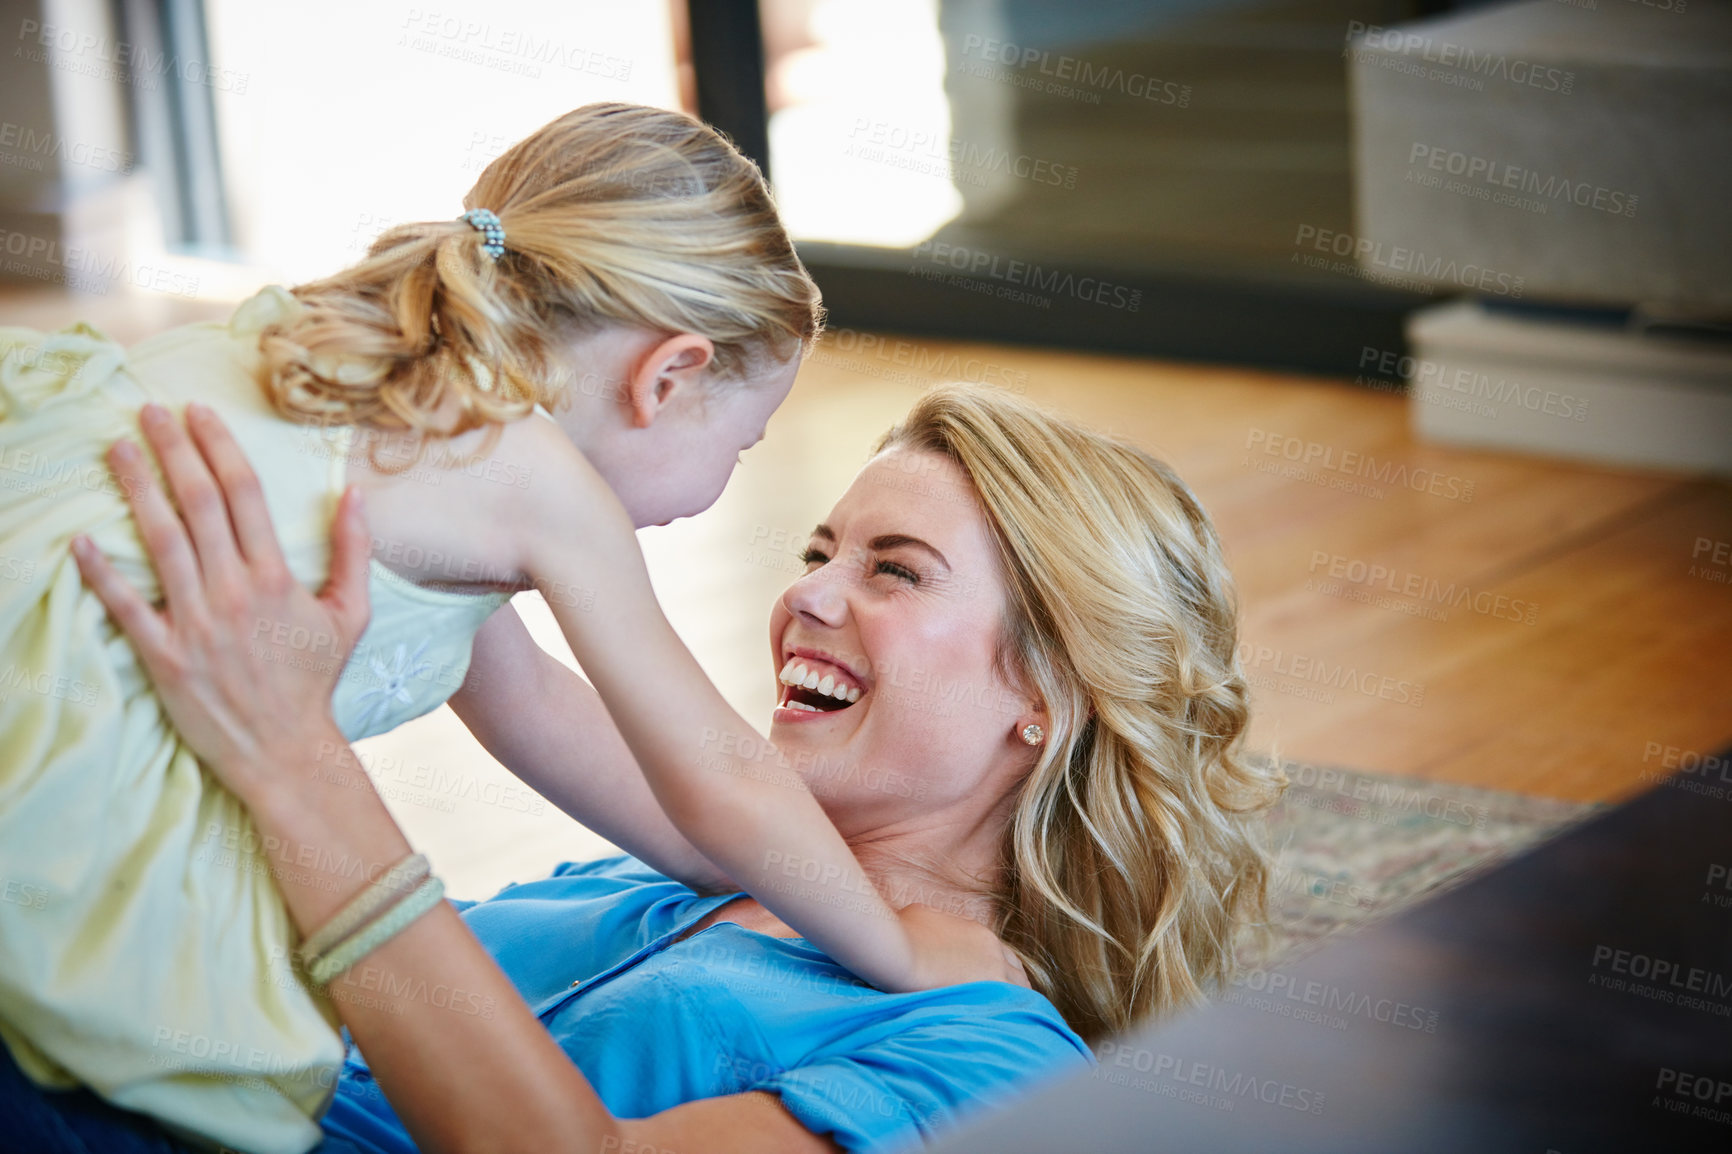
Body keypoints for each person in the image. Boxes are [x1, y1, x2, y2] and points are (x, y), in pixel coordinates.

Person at [0, 102, 1013, 1154]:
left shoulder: (382, 387)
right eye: (744, 443)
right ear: (666, 375)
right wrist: (898, 950)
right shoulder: (537, 482)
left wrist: (736, 867)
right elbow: (722, 773)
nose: (728, 481)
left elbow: (528, 701)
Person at [34, 382, 1285, 1152]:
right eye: (820, 548)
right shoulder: (677, 877)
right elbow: (501, 657)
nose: (808, 593)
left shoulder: (995, 1063)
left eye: (894, 569)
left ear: (1048, 695)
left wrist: (295, 757)